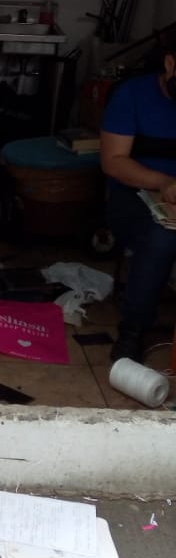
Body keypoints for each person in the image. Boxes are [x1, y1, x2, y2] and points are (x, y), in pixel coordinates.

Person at [100, 47, 176, 361]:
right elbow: (113, 161)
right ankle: (133, 331)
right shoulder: (132, 95)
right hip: (132, 196)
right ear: (170, 63)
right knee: (162, 237)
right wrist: (163, 183)